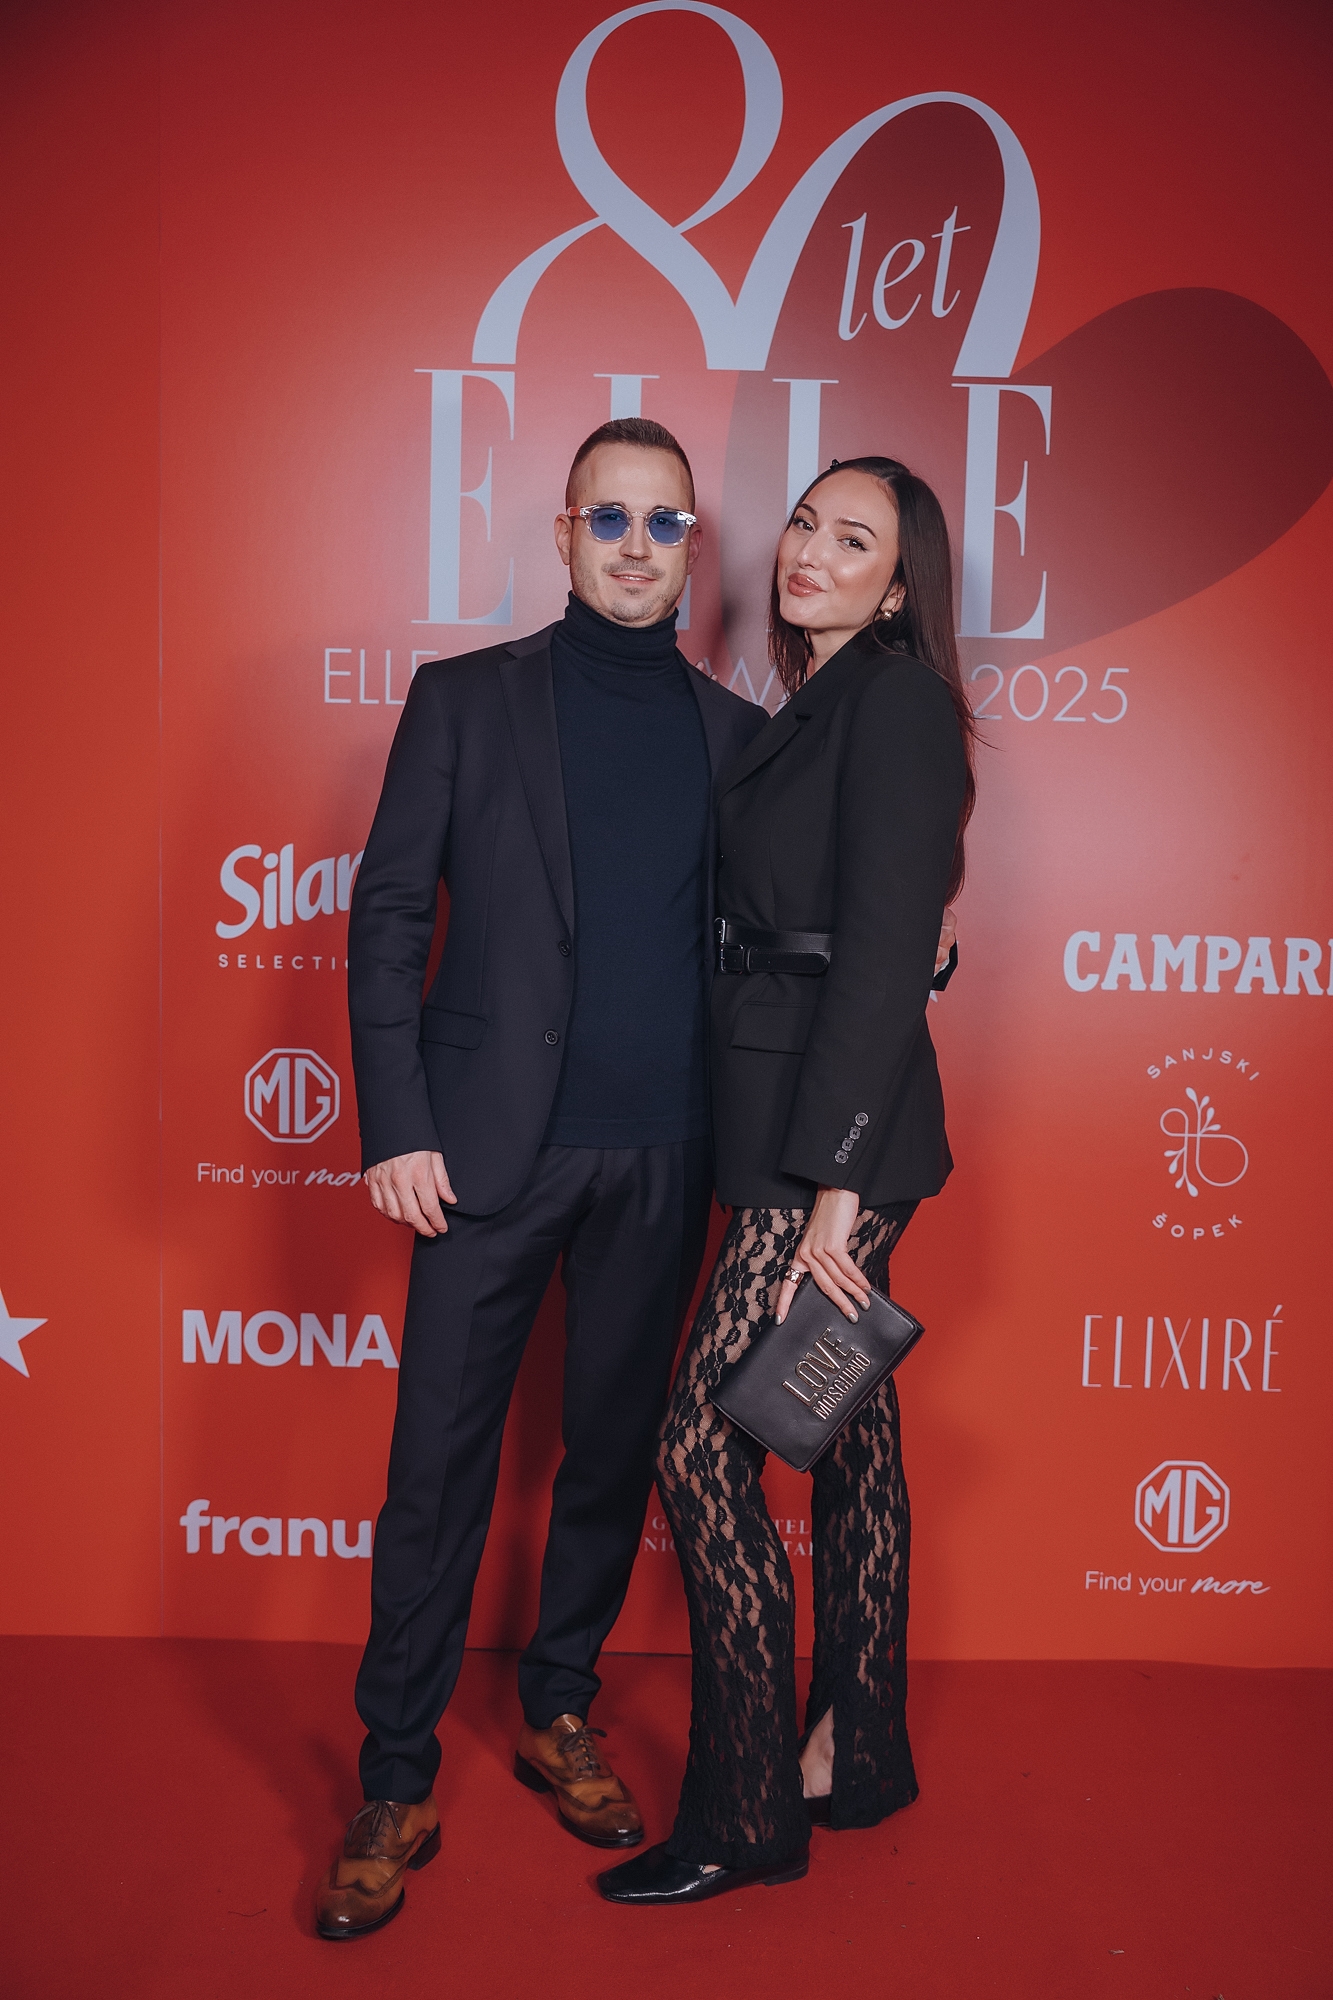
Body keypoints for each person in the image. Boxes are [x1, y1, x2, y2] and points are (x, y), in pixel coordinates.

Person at [316, 418, 767, 1941]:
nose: (638, 547)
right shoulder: (465, 700)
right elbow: (389, 915)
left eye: (665, 523)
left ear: (691, 547)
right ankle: (395, 1775)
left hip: (667, 1154)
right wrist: (396, 1124)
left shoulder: (734, 735)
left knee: (608, 1454)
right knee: (435, 1468)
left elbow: (773, 941)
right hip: (482, 1153)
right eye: (611, 519)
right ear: (566, 534)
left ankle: (559, 1704)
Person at [597, 456, 975, 1907]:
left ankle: (746, 1805)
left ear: (900, 583)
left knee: (705, 1450)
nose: (809, 552)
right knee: (850, 1429)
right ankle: (856, 1750)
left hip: (828, 1146)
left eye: (852, 539)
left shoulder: (896, 703)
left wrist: (831, 1194)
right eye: (806, 523)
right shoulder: (812, 704)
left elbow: (883, 954)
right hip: (781, 1110)